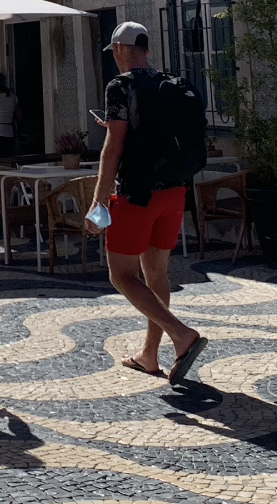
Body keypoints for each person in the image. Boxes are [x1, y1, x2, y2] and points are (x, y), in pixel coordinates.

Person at [88, 21, 205, 384]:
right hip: (174, 191)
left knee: (121, 275)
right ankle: (149, 355)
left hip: (136, 194)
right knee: (156, 274)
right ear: (146, 49)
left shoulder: (120, 86)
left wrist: (98, 202)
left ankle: (182, 335)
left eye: (114, 52)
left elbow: (114, 148)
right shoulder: (169, 83)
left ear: (120, 49)